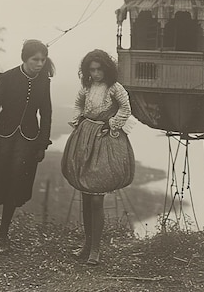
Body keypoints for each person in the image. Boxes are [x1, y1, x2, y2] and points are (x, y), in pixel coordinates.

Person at [0, 39, 54, 253]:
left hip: (27, 141)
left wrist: (42, 144)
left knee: (16, 183)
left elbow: (46, 114)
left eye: (42, 59)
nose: (39, 63)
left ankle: (3, 235)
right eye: (34, 59)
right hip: (3, 139)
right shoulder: (7, 78)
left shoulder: (44, 81)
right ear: (24, 58)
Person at [61, 49, 135, 266]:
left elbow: (126, 109)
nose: (95, 74)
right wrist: (79, 119)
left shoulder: (115, 88)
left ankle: (96, 249)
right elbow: (78, 104)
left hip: (104, 140)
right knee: (86, 194)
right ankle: (86, 245)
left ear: (106, 68)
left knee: (96, 198)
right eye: (91, 70)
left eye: (99, 69)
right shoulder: (87, 87)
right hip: (85, 138)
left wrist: (110, 124)